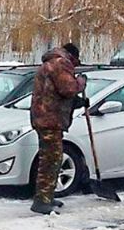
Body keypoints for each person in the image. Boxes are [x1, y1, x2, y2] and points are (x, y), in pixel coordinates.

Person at [29, 42, 87, 215]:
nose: (74, 67)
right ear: (73, 56)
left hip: (45, 118)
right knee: (51, 160)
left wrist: (77, 103)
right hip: (50, 121)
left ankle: (47, 196)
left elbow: (54, 93)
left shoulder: (49, 64)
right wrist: (81, 82)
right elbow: (69, 88)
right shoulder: (60, 63)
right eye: (76, 62)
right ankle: (41, 201)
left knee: (51, 159)